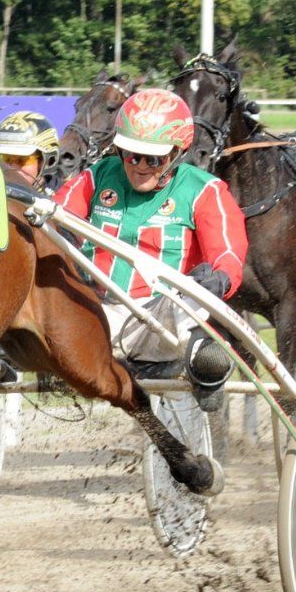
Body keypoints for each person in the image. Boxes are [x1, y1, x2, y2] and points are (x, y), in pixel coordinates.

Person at [53, 88, 249, 411]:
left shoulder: (205, 190)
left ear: (177, 153)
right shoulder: (97, 177)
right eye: (131, 155)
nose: (140, 166)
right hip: (95, 316)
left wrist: (220, 280)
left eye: (153, 158)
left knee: (195, 294)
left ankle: (206, 363)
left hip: (161, 321)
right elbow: (58, 215)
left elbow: (228, 252)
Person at [0, 110, 59, 189]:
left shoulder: (65, 197)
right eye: (6, 159)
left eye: (22, 160)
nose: (12, 168)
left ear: (48, 162)